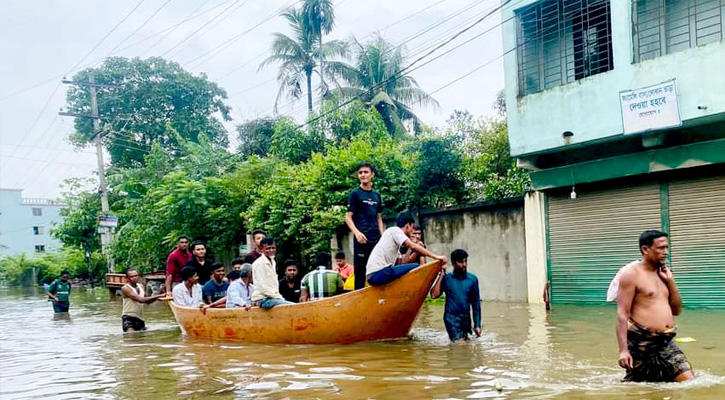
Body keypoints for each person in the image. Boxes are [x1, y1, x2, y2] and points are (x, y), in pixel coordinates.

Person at [616, 230, 694, 382]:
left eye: (667, 248)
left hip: (665, 342)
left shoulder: (663, 273)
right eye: (661, 248)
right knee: (639, 389)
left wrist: (670, 281)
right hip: (642, 343)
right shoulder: (631, 274)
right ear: (646, 249)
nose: (666, 252)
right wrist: (623, 351)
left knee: (689, 383)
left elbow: (677, 310)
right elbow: (622, 314)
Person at [366, 212, 448, 286]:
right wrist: (436, 257)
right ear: (408, 226)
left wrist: (412, 248)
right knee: (416, 266)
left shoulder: (393, 241)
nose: (412, 231)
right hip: (378, 273)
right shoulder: (395, 230)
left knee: (412, 267)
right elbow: (414, 247)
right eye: (412, 228)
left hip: (375, 275)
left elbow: (404, 263)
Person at [345, 162, 385, 290]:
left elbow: (379, 217)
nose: (363, 175)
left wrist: (382, 235)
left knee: (378, 271)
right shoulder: (355, 194)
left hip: (375, 240)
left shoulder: (377, 195)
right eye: (360, 172)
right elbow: (348, 217)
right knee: (360, 275)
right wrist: (357, 233)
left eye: (366, 172)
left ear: (372, 174)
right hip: (361, 240)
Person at [429, 249, 482, 343]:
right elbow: (434, 295)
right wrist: (441, 275)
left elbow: (476, 303)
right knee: (460, 345)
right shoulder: (447, 279)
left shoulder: (472, 280)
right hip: (451, 318)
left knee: (467, 346)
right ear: (453, 264)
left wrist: (477, 324)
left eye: (465, 261)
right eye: (461, 262)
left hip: (466, 319)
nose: (464, 265)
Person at [251, 238, 292, 309]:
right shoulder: (259, 263)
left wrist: (278, 297)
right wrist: (278, 297)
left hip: (273, 298)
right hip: (263, 299)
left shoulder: (273, 262)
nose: (271, 250)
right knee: (291, 307)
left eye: (273, 248)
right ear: (261, 249)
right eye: (268, 248)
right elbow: (262, 287)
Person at [121, 268, 165, 332]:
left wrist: (159, 295)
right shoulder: (125, 288)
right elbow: (141, 300)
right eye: (132, 276)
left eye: (136, 275)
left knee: (141, 339)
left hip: (140, 318)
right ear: (127, 278)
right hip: (128, 318)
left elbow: (147, 302)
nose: (134, 278)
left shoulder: (141, 286)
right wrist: (160, 295)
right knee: (130, 338)